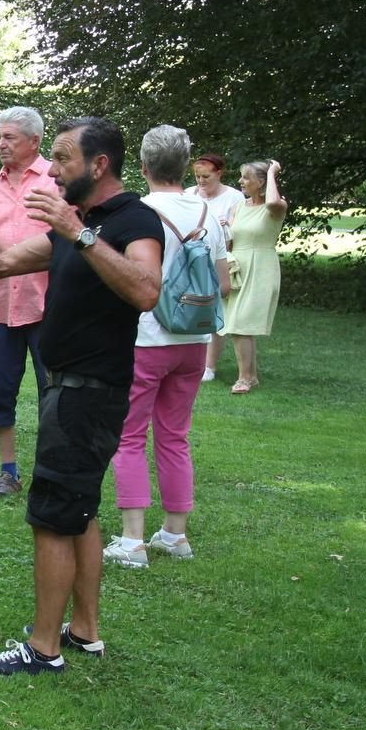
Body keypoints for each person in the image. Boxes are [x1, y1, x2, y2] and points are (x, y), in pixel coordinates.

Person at [0, 116, 163, 676]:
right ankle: (85, 631)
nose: (51, 168)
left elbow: (147, 291)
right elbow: (1, 260)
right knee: (80, 510)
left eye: (64, 158)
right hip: (67, 388)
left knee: (52, 516)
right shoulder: (84, 222)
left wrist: (80, 235)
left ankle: (43, 649)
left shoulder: (131, 220)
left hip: (89, 392)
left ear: (99, 166)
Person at [105, 126, 231, 569]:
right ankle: (175, 534)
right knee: (175, 436)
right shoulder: (209, 213)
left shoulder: (139, 213)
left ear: (142, 167)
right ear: (186, 165)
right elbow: (224, 282)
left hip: (146, 338)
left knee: (130, 435)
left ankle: (132, 540)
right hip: (194, 340)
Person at [0, 107, 60, 497]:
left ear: (34, 141)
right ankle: (9, 472)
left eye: (9, 138)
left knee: (52, 394)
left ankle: (50, 472)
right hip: (0, 310)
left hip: (48, 310)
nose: (1, 144)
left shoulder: (58, 182)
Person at [220, 159, 288, 393]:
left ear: (260, 182)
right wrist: (224, 228)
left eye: (246, 177)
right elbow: (231, 239)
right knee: (238, 322)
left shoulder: (277, 207)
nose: (241, 181)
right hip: (239, 266)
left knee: (242, 323)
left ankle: (245, 378)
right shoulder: (239, 207)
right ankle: (250, 375)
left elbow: (271, 201)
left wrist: (271, 173)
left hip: (261, 267)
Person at [191, 153, 245, 381]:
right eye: (197, 176)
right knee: (192, 305)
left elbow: (240, 230)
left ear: (219, 173)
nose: (201, 181)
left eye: (206, 176)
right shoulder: (189, 195)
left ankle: (209, 366)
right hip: (193, 258)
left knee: (216, 308)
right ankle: (191, 359)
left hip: (220, 258)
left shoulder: (234, 197)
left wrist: (227, 226)